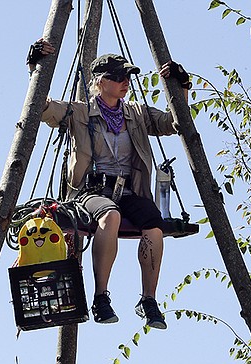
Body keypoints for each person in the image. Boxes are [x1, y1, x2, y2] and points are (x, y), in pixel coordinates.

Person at [26, 39, 192, 329]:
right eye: (117, 77)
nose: (125, 82)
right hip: (91, 191)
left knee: (153, 224)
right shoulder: (78, 112)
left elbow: (174, 123)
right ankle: (101, 296)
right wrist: (35, 68)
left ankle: (148, 299)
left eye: (127, 76)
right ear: (100, 82)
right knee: (110, 215)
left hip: (127, 189)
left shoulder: (137, 114)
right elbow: (41, 108)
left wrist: (182, 87)